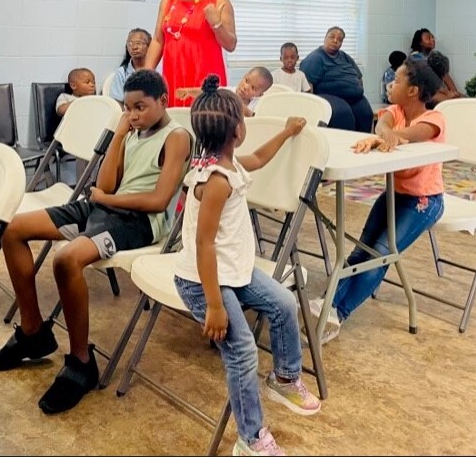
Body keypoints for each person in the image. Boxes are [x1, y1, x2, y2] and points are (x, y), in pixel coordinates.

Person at [0, 70, 192, 415]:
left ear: (164, 100)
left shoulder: (177, 136)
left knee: (66, 260)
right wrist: (119, 136)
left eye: (140, 107)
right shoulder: (132, 131)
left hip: (139, 223)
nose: (134, 114)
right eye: (128, 108)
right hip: (104, 207)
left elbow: (158, 201)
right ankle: (33, 332)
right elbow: (107, 184)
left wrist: (107, 199)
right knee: (12, 230)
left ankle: (81, 361)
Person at [173, 74, 320, 457]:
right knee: (241, 351)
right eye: (245, 115)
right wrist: (216, 305)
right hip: (203, 280)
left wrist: (287, 132)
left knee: (284, 303)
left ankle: (285, 377)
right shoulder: (216, 181)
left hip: (232, 270)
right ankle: (250, 438)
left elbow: (257, 159)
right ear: (238, 129)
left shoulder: (231, 163)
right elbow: (203, 245)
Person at [310, 59, 445, 344]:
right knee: (361, 250)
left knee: (381, 253)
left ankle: (338, 312)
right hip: (393, 194)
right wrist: (380, 134)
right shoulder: (395, 111)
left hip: (423, 200)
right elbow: (383, 124)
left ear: (413, 91)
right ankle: (328, 303)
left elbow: (406, 136)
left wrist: (383, 136)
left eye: (397, 81)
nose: (390, 84)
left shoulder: (433, 120)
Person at [145, 0, 237, 107]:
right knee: (176, 123)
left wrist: (216, 24)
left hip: (204, 78)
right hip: (174, 73)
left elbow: (231, 45)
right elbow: (158, 40)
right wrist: (146, 75)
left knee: (203, 124)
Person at [299, 26, 373, 132]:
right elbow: (307, 85)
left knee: (365, 114)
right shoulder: (315, 58)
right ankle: (345, 146)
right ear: (325, 38)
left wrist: (357, 89)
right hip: (329, 95)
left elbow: (359, 77)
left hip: (354, 97)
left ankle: (363, 144)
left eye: (339, 39)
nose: (335, 41)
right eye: (332, 37)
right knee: (343, 114)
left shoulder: (345, 57)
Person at [176, 66, 273, 117]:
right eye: (246, 80)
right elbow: (207, 92)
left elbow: (256, 120)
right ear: (244, 76)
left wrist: (246, 111)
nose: (246, 87)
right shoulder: (227, 92)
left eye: (253, 88)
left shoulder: (257, 104)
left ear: (259, 95)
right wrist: (188, 91)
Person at [409, 28, 463, 98]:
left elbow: (445, 75)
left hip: (438, 90)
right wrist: (447, 93)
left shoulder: (435, 55)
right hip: (423, 92)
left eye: (432, 37)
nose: (432, 40)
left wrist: (455, 92)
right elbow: (429, 79)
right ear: (420, 42)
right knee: (447, 101)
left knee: (464, 99)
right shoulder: (415, 57)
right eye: (428, 38)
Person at [109, 28, 151, 104]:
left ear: (149, 46)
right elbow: (117, 103)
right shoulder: (121, 72)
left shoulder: (160, 69)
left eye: (139, 43)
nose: (134, 47)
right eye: (130, 44)